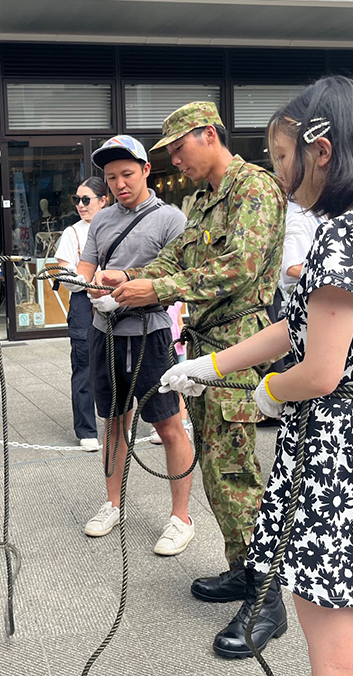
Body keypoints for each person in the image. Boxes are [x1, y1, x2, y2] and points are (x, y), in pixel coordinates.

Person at [161, 76, 353, 672]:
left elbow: (318, 372)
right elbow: (297, 326)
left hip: (343, 451)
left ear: (322, 151)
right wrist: (209, 365)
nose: (281, 175)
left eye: (283, 157)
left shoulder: (341, 236)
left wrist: (269, 391)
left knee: (331, 632)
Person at [99, 102, 286, 656]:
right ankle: (243, 569)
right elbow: (176, 257)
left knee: (234, 472)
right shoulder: (202, 200)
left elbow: (239, 269)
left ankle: (266, 599)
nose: (176, 162)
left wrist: (155, 290)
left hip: (238, 345)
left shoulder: (254, 188)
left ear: (209, 134)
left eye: (179, 149)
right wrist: (128, 277)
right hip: (206, 346)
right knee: (215, 467)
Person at [61, 135, 195, 556]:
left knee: (168, 424)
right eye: (111, 177)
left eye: (127, 174)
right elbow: (87, 267)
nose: (119, 184)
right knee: (114, 421)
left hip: (150, 333)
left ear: (146, 170)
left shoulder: (170, 219)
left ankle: (181, 517)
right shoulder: (101, 220)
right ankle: (112, 503)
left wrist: (128, 288)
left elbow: (181, 278)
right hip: (104, 331)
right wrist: (85, 285)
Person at [54, 176, 108, 451]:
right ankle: (87, 429)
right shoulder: (72, 233)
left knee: (119, 363)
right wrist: (89, 282)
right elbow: (65, 276)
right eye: (77, 200)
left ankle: (119, 424)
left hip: (117, 301)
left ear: (103, 200)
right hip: (83, 304)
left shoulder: (114, 225)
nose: (81, 205)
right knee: (84, 366)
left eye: (86, 199)